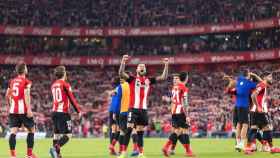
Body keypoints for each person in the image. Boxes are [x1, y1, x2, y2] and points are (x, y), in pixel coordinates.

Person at [118, 55, 169, 158]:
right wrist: (123, 62)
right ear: (137, 69)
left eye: (143, 66)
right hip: (133, 108)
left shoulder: (148, 80)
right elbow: (121, 73)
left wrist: (166, 65)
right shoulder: (132, 79)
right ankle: (123, 152)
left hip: (143, 110)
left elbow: (163, 77)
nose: (142, 67)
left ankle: (141, 153)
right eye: (140, 66)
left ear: (145, 70)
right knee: (129, 129)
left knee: (140, 132)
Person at [49, 66, 82, 158]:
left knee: (56, 135)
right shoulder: (65, 84)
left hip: (54, 112)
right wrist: (78, 111)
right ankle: (55, 149)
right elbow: (71, 98)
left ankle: (58, 156)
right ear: (64, 73)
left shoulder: (53, 85)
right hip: (63, 113)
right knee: (68, 134)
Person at [6, 63, 37, 158]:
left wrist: (10, 106)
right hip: (23, 110)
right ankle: (29, 154)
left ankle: (13, 156)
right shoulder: (27, 81)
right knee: (32, 130)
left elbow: (7, 95)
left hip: (13, 110)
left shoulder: (12, 81)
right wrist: (28, 109)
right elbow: (26, 94)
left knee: (13, 132)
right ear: (24, 70)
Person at [245, 73, 280, 154]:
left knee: (254, 128)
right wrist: (258, 106)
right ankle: (270, 147)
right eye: (270, 76)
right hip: (259, 110)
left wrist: (254, 75)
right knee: (267, 128)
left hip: (254, 110)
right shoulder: (263, 84)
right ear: (265, 77)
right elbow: (253, 95)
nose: (272, 78)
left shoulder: (262, 83)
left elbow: (260, 80)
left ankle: (248, 148)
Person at [162, 73, 194, 157]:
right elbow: (185, 103)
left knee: (178, 132)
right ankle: (187, 151)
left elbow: (172, 100)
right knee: (183, 131)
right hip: (181, 111)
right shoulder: (184, 88)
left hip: (174, 112)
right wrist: (187, 115)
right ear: (186, 78)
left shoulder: (174, 87)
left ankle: (187, 151)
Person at [234, 70, 257, 151]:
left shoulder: (239, 80)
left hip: (237, 106)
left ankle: (238, 142)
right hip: (244, 106)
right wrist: (254, 76)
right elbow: (260, 84)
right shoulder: (249, 83)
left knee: (239, 124)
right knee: (245, 124)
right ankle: (241, 144)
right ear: (248, 75)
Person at [108, 78, 121, 155]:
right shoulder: (121, 87)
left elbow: (111, 93)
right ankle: (118, 149)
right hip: (116, 110)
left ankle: (111, 150)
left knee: (113, 130)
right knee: (120, 130)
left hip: (111, 110)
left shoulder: (116, 88)